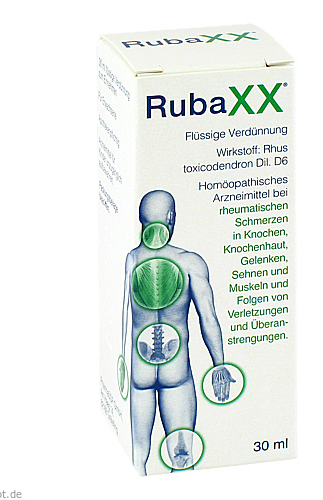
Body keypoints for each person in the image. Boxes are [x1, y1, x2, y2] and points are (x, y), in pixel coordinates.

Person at [121, 190, 234, 475]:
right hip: (176, 370)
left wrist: (121, 367)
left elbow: (124, 317)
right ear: (171, 217)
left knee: (137, 457)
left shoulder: (132, 260)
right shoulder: (189, 262)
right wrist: (219, 365)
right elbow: (208, 318)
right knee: (182, 460)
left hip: (140, 370)